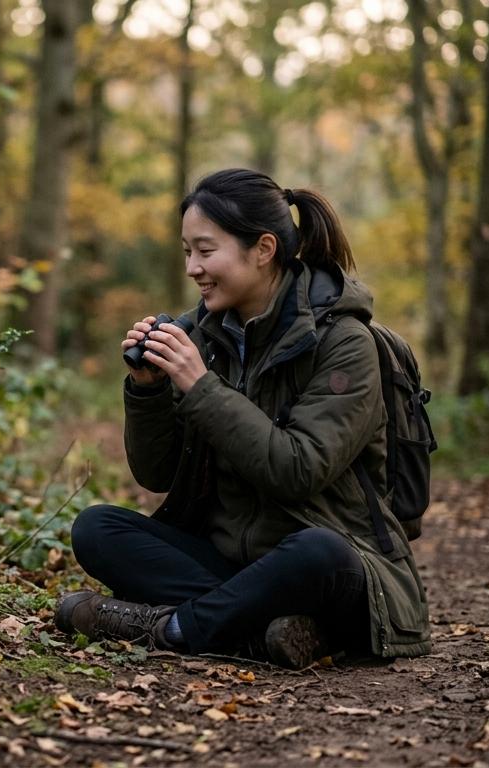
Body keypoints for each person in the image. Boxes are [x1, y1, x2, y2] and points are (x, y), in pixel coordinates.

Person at [54, 169, 430, 668]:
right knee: (97, 528)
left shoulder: (344, 343)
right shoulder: (205, 337)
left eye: (206, 251)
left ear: (264, 249)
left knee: (318, 552)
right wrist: (148, 390)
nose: (192, 268)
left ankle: (174, 628)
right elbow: (156, 475)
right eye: (187, 251)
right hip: (231, 562)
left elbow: (297, 471)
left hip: (337, 566)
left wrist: (201, 386)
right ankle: (260, 632)